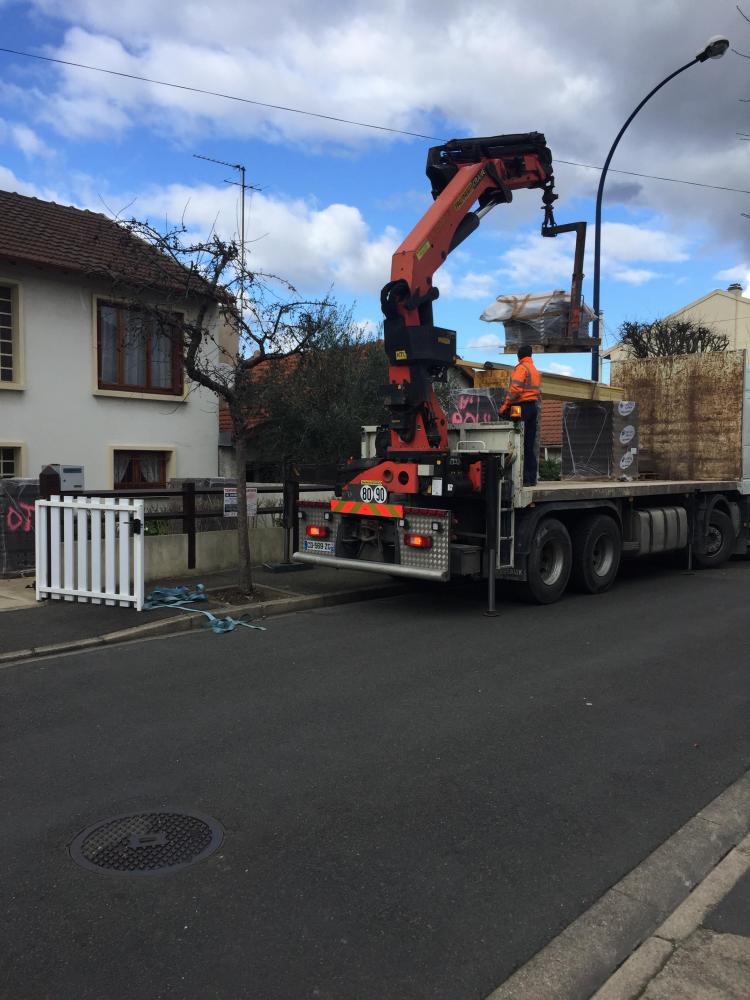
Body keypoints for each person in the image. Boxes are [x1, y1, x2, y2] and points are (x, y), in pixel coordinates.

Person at [499, 345, 541, 486]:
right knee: (529, 444)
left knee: (518, 442)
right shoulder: (534, 370)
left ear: (519, 356)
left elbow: (515, 390)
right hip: (533, 407)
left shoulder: (521, 368)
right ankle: (531, 478)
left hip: (521, 407)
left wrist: (505, 405)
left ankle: (521, 477)